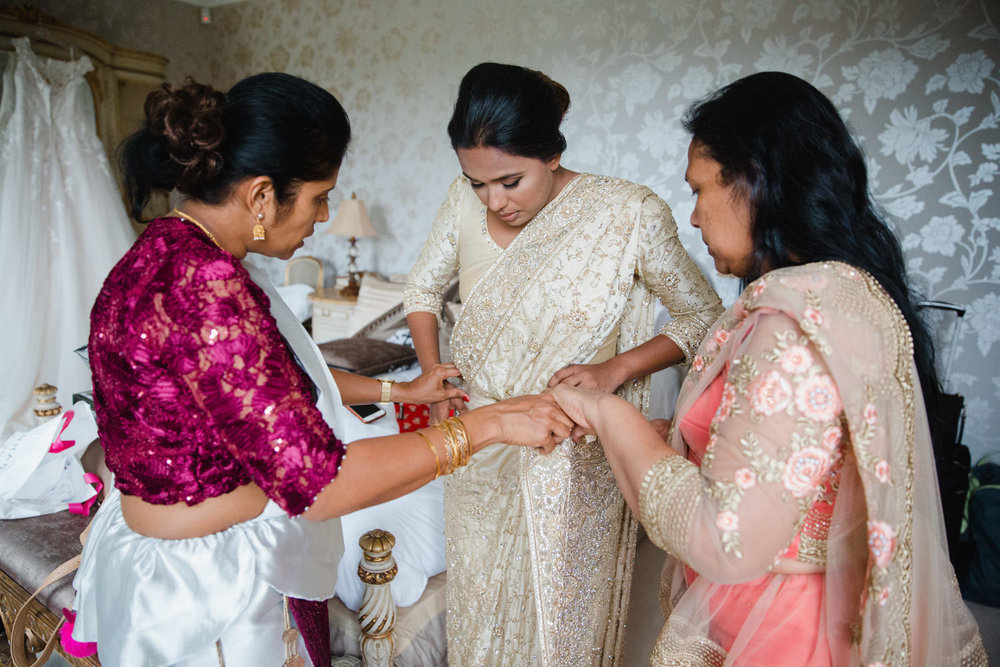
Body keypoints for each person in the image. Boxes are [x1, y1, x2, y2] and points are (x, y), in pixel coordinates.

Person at [70, 73, 574, 667]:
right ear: (262, 196)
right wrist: (486, 426)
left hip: (167, 547)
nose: (324, 214)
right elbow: (322, 484)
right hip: (206, 581)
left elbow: (268, 386)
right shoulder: (207, 289)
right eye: (318, 195)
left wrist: (402, 387)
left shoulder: (169, 248)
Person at [549, 71, 987, 665]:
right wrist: (671, 440)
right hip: (824, 611)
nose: (696, 217)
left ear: (754, 181)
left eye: (701, 190)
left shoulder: (790, 325)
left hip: (783, 631)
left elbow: (725, 536)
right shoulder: (849, 294)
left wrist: (606, 411)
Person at [404, 62, 723, 664]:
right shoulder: (461, 203)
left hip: (573, 448)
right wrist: (432, 372)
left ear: (551, 154)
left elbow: (700, 316)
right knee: (482, 605)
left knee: (560, 623)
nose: (493, 201)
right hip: (480, 439)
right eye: (477, 183)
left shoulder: (626, 214)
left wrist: (615, 371)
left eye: (510, 181)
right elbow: (422, 292)